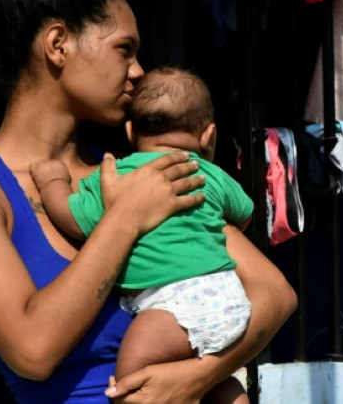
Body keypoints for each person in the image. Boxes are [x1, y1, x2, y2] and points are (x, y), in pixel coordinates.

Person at [0, 0, 296, 404]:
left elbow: (275, 293)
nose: (139, 71)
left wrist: (195, 378)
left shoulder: (135, 170)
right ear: (58, 45)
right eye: (125, 49)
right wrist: (126, 217)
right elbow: (33, 349)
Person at [29, 65, 253, 390]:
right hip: (227, 295)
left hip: (173, 305)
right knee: (221, 384)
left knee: (133, 368)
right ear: (209, 135)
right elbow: (245, 212)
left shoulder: (119, 176)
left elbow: (72, 218)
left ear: (130, 131)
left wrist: (53, 181)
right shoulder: (212, 175)